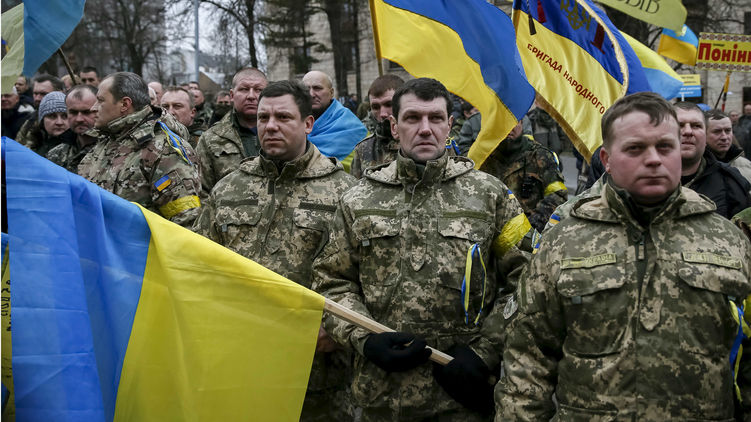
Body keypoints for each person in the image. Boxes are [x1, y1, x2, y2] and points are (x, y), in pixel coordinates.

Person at [499, 91, 751, 420]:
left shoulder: (729, 240)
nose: (653, 159)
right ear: (606, 159)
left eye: (665, 147)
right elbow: (527, 361)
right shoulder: (564, 241)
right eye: (635, 148)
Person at [312, 78, 531, 421]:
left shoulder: (491, 196)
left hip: (461, 397)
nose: (425, 129)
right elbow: (332, 282)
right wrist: (365, 339)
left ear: (449, 125)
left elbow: (528, 280)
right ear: (394, 127)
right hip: (380, 397)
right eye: (413, 118)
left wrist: (485, 350)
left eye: (436, 118)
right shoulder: (358, 199)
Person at [194, 80, 356, 421]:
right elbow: (201, 263)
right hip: (240, 357)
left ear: (307, 124)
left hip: (315, 370)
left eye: (283, 117)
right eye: (264, 117)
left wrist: (336, 327)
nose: (270, 126)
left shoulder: (345, 193)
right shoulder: (230, 188)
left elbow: (361, 276)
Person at [77, 72, 201, 228]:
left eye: (101, 100)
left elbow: (185, 223)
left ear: (124, 104)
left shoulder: (163, 149)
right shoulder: (107, 141)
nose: (93, 108)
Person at [480, 121, 567, 232]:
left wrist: (532, 226)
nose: (510, 128)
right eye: (504, 121)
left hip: (529, 234)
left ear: (521, 124)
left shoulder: (539, 155)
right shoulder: (484, 155)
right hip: (490, 232)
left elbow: (558, 194)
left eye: (514, 122)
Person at [196, 67, 268, 194]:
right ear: (232, 95)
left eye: (258, 90)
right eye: (244, 89)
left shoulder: (283, 133)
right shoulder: (211, 138)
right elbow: (201, 191)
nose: (251, 96)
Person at [676, 102, 751, 219]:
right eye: (680, 125)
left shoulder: (733, 181)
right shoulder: (644, 179)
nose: (688, 131)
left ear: (704, 135)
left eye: (696, 125)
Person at [302, 70, 367, 169]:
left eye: (317, 88)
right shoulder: (292, 122)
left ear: (331, 92)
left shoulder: (349, 124)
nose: (311, 94)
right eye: (306, 89)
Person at [350, 74, 404, 179]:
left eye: (389, 104)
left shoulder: (421, 141)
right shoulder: (363, 149)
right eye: (375, 107)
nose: (383, 113)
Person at [46, 85, 99, 172]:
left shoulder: (112, 153)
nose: (79, 119)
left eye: (86, 112)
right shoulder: (56, 155)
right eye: (73, 113)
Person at [15, 74, 65, 148]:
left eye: (43, 94)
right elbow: (18, 145)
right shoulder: (31, 119)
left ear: (59, 93)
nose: (37, 98)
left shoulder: (70, 121)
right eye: (35, 93)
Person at [22, 91, 75, 157]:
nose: (59, 122)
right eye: (52, 116)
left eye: (65, 116)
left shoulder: (76, 149)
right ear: (42, 120)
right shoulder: (32, 144)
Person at [705, 109, 751, 183]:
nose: (724, 137)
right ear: (704, 134)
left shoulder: (746, 165)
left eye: (728, 130)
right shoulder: (694, 168)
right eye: (717, 131)